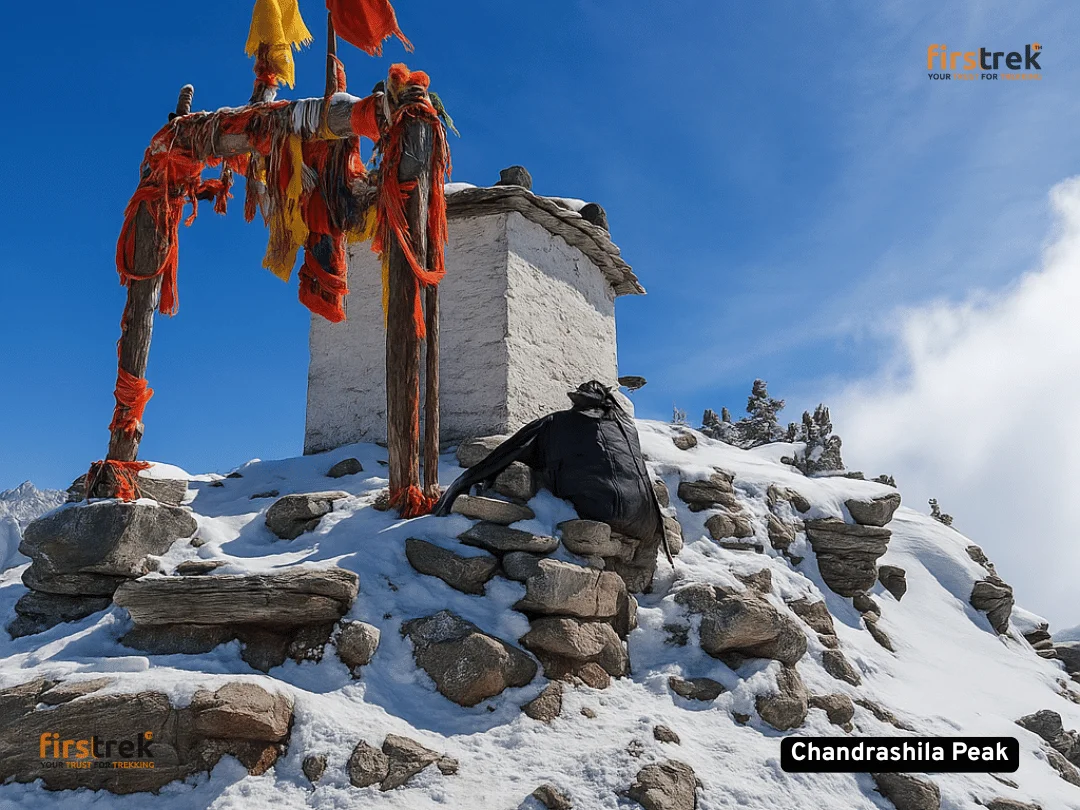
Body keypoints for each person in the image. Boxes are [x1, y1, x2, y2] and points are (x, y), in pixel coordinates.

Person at [434, 381, 670, 591]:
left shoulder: (557, 422)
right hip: (645, 519)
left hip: (600, 508)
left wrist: (468, 479)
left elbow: (512, 449)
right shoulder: (626, 427)